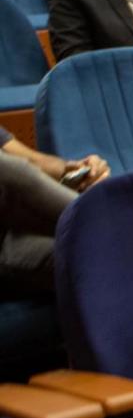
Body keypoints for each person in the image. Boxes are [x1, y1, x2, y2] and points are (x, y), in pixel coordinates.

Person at [0, 122, 108, 294]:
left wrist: (76, 170)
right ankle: (118, 223)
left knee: (106, 254)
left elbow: (31, 159)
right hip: (5, 249)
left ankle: (120, 226)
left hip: (14, 226)